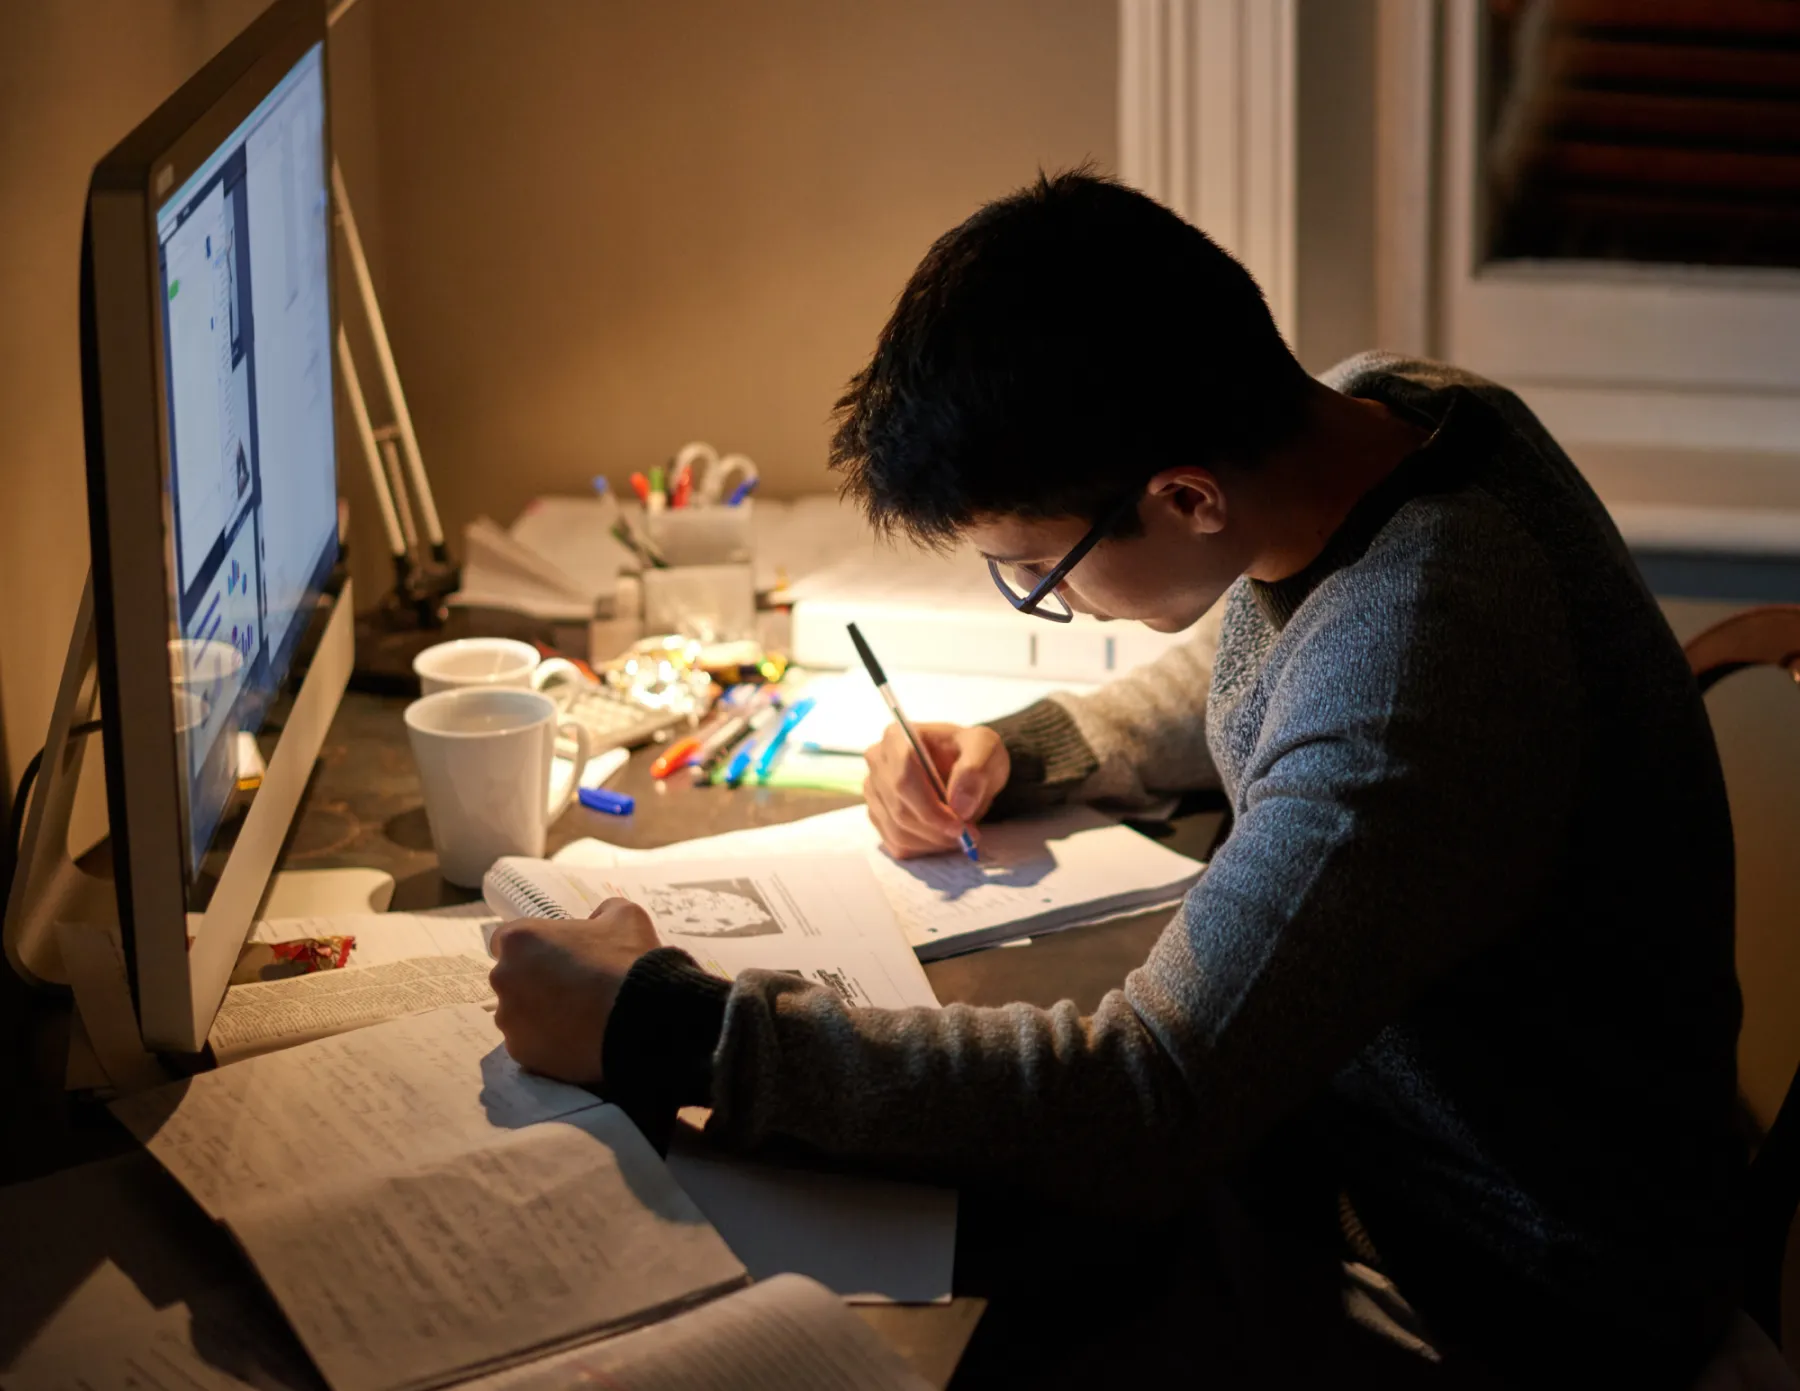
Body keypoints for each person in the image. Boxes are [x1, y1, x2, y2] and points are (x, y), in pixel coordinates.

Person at [488, 172, 1745, 1387]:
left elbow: (1148, 1093)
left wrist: (671, 1027)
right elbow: (1276, 644)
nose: (1040, 597)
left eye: (1035, 570)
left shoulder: (1416, 664)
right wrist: (1036, 745)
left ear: (1185, 495)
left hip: (1503, 1277)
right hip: (1370, 1137)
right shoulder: (1387, 414)